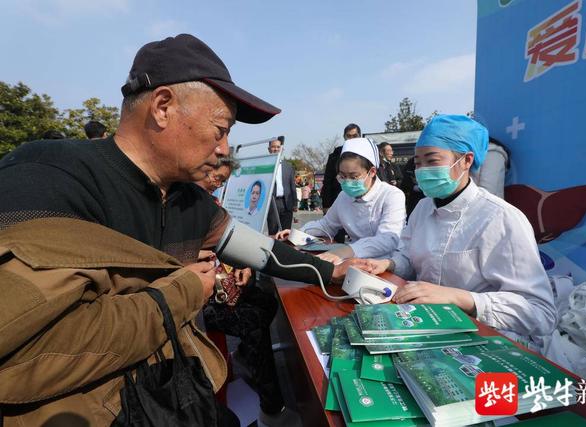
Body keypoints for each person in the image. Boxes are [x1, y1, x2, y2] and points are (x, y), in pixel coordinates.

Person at [0, 34, 368, 426]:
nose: (226, 148)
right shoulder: (46, 179)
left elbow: (263, 252)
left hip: (177, 398)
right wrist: (183, 292)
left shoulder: (189, 201)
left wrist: (332, 271)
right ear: (162, 107)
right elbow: (23, 354)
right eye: (220, 128)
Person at [363, 115, 556, 345]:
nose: (422, 170)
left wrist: (462, 298)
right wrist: (389, 264)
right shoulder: (423, 207)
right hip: (427, 328)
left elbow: (541, 312)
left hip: (484, 340)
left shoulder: (501, 219)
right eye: (417, 163)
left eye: (432, 161)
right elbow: (410, 256)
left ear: (466, 161)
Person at [196, 160, 300, 426]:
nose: (216, 185)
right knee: (253, 322)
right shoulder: (177, 207)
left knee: (265, 300)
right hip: (194, 302)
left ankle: (246, 356)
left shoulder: (210, 206)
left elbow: (227, 246)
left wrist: (243, 265)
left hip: (219, 289)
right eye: (214, 179)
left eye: (221, 182)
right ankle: (271, 408)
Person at [277, 137, 406, 262]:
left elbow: (387, 239)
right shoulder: (344, 196)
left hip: (389, 261)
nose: (347, 181)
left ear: (372, 172)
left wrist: (348, 251)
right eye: (343, 176)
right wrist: (299, 233)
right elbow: (326, 225)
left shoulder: (392, 195)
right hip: (354, 259)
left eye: (354, 176)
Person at [321, 123, 361, 213]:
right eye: (348, 136)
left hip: (361, 201)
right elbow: (327, 181)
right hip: (338, 200)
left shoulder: (367, 154)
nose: (351, 139)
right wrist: (326, 204)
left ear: (360, 136)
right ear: (344, 137)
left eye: (355, 136)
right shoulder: (335, 156)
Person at [266, 136, 297, 234]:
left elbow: (292, 186)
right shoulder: (264, 166)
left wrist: (295, 203)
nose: (276, 149)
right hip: (272, 203)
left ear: (282, 149)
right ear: (269, 149)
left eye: (278, 147)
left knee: (286, 232)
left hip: (286, 203)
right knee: (273, 232)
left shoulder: (288, 166)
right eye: (273, 147)